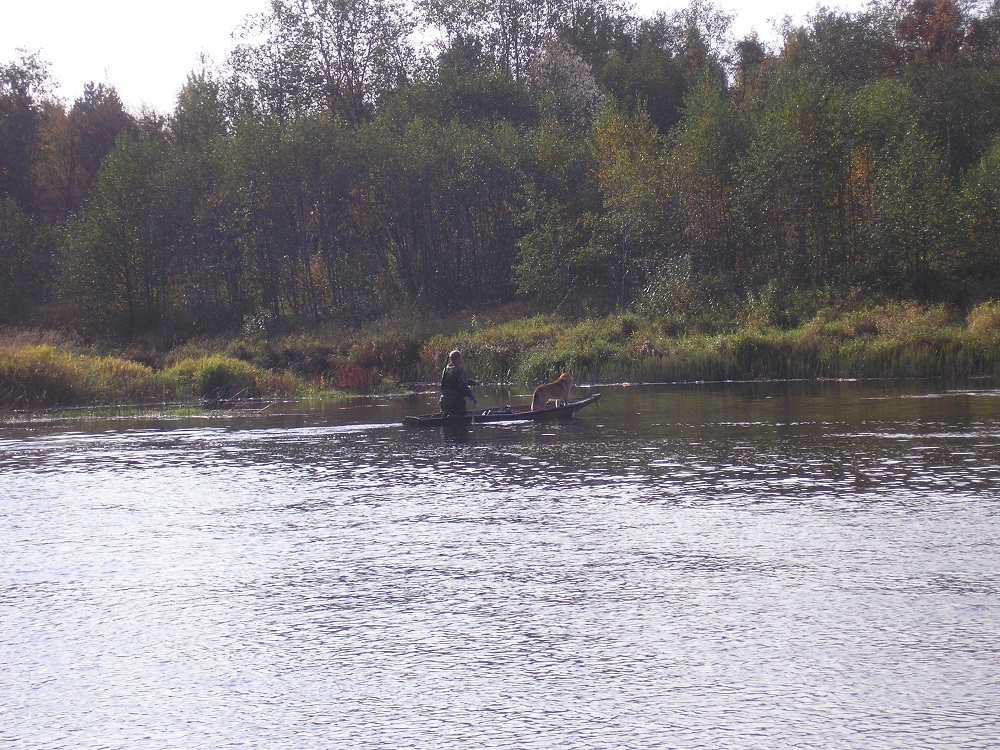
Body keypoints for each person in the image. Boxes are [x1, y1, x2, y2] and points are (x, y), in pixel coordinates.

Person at [440, 349, 478, 416]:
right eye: (460, 357)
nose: (461, 359)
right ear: (458, 358)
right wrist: (472, 397)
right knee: (462, 419)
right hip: (455, 402)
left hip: (444, 401)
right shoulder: (459, 369)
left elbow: (456, 381)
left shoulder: (446, 369)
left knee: (447, 419)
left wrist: (474, 383)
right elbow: (463, 385)